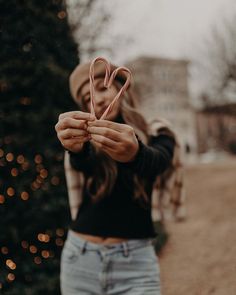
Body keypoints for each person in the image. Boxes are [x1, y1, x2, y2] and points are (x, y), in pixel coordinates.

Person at [55, 58, 176, 295]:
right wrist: (75, 148)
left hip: (137, 265)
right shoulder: (86, 142)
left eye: (101, 88)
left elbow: (158, 162)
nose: (97, 100)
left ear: (122, 88)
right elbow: (83, 164)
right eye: (88, 98)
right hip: (80, 260)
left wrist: (135, 154)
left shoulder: (157, 132)